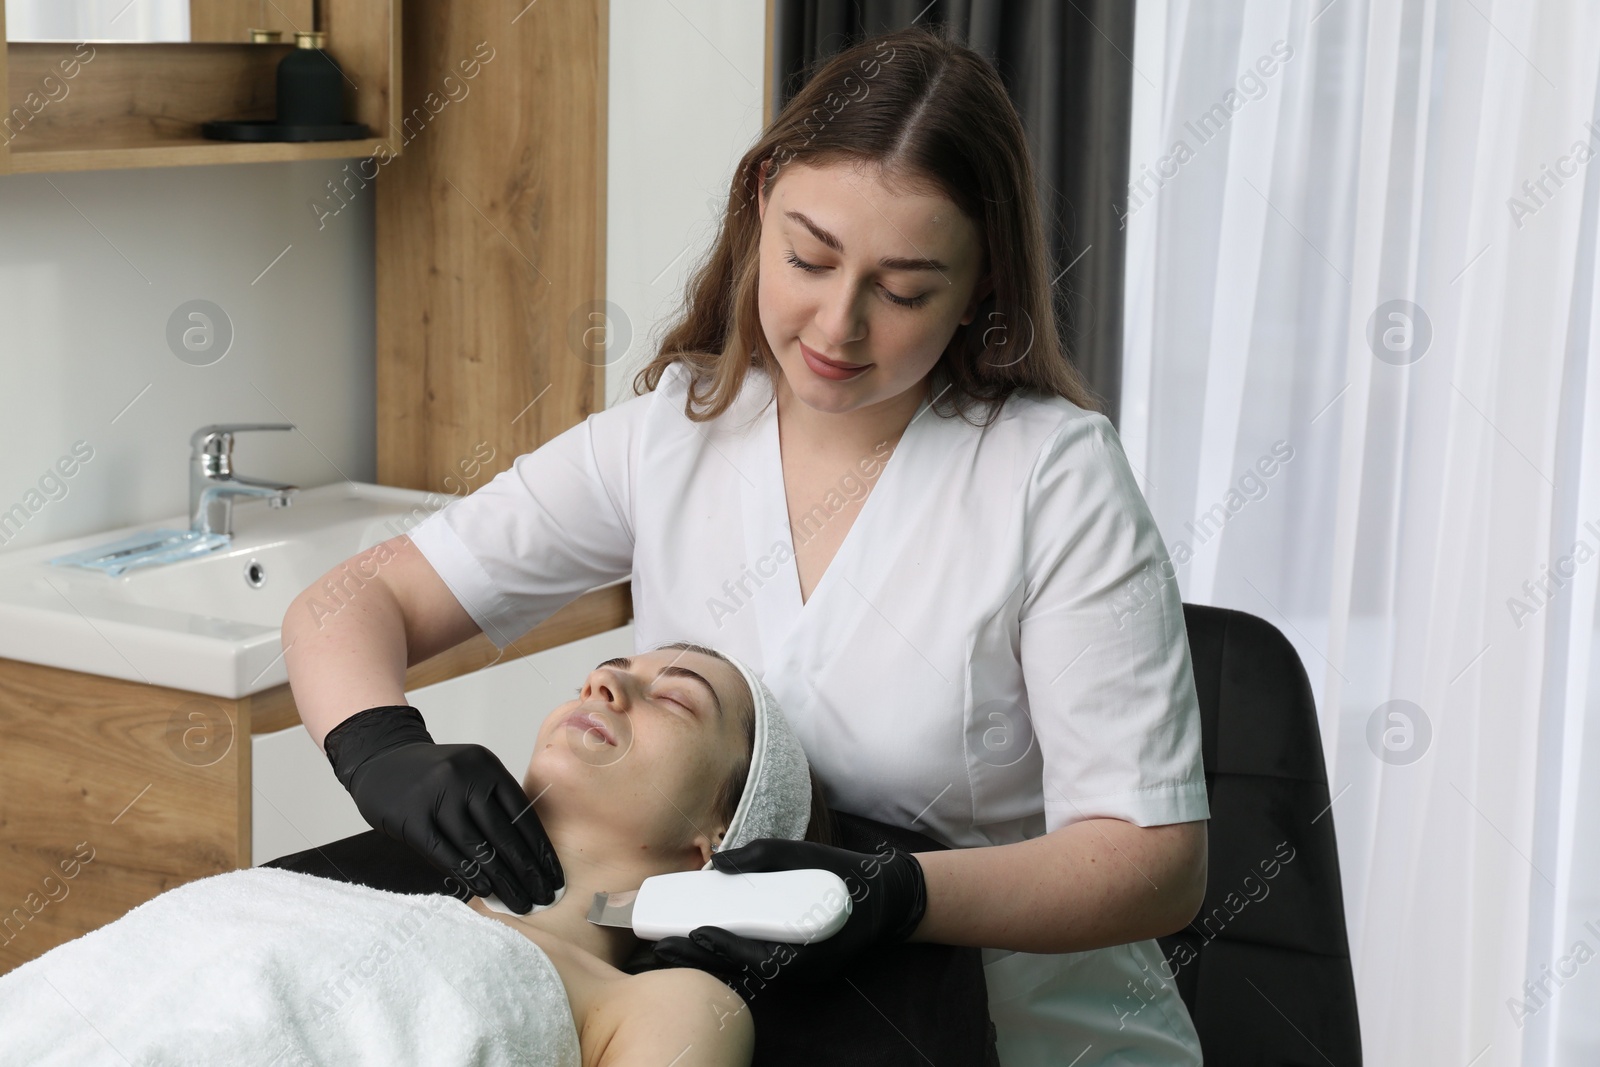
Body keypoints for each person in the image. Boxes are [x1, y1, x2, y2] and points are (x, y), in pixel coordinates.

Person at [283, 24, 1210, 1066]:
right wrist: (380, 749)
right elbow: (347, 604)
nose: (836, 324)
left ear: (981, 281)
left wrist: (899, 895)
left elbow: (1153, 860)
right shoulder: (677, 432)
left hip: (1023, 1039)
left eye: (903, 290)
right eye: (807, 257)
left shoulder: (1052, 477)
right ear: (760, 197)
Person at [0, 644, 836, 1067]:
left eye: (677, 699)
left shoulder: (665, 1003)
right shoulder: (350, 900)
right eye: (605, 672)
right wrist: (379, 745)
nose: (606, 685)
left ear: (719, 839)